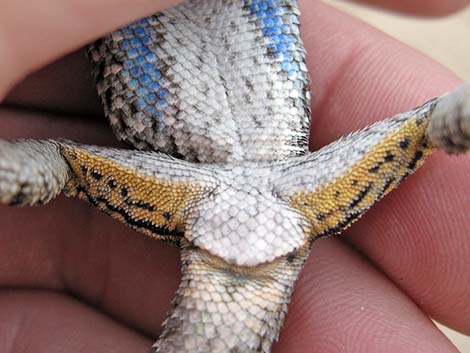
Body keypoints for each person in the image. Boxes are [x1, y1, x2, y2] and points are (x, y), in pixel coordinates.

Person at [0, 0, 469, 352]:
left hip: (221, 185)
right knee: (430, 126)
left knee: (65, 168)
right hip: (277, 188)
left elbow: (67, 166)